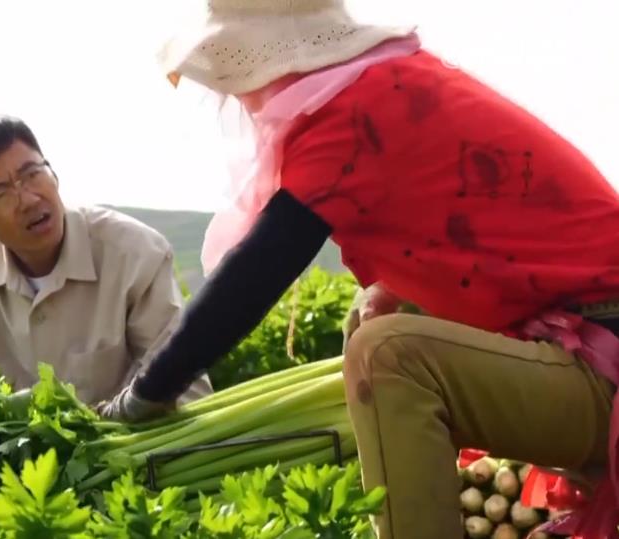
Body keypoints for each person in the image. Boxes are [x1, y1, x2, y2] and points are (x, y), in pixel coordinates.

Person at [96, 2, 619, 538]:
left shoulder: (352, 113)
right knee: (376, 322)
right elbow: (478, 222)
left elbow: (252, 276)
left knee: (388, 355)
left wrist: (142, 394)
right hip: (586, 346)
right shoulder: (391, 84)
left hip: (605, 360)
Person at [0, 113, 212, 405]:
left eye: (32, 174)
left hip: (135, 444)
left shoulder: (134, 253)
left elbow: (185, 390)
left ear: (53, 174)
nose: (29, 199)